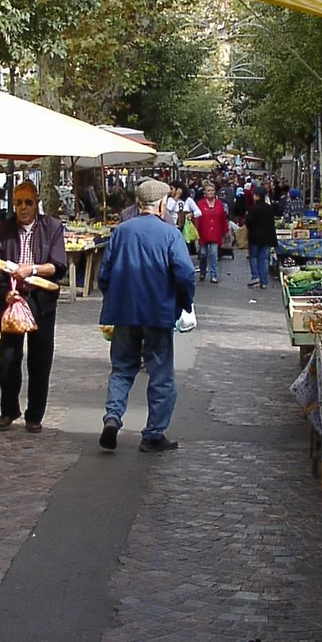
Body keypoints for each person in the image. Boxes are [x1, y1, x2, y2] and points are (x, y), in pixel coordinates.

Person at [97, 179, 196, 453]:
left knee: (122, 369)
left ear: (139, 204)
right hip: (157, 312)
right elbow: (185, 274)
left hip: (124, 313)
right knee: (160, 373)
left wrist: (113, 299)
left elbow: (103, 274)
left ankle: (113, 417)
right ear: (163, 204)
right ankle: (153, 433)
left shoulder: (121, 232)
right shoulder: (170, 233)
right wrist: (184, 302)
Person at [0, 180, 67, 433]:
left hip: (41, 301)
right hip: (13, 302)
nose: (23, 207)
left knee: (40, 360)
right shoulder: (2, 231)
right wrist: (5, 292)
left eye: (28, 202)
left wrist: (31, 269)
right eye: (18, 202)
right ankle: (9, 409)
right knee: (8, 359)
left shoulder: (52, 227)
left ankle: (35, 415)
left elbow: (57, 265)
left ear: (36, 203)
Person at [195, 182, 229, 283]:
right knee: (203, 254)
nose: (210, 192)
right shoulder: (200, 204)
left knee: (214, 254)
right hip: (203, 232)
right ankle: (202, 272)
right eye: (208, 190)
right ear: (205, 192)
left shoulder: (219, 204)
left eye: (212, 190)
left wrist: (226, 231)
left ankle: (214, 274)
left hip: (216, 232)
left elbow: (223, 218)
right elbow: (197, 218)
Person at [245, 185, 278, 288]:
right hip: (267, 238)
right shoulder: (269, 208)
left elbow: (249, 222)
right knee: (264, 259)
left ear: (257, 196)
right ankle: (264, 281)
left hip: (255, 237)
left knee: (254, 257)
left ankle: (256, 276)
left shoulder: (253, 208)